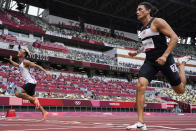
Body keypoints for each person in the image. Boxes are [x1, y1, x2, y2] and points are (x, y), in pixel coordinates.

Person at [126, 2, 191, 130]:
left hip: (165, 60)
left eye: (140, 9)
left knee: (180, 91)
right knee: (140, 85)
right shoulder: (143, 29)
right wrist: (137, 52)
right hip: (150, 61)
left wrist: (165, 56)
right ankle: (141, 123)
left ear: (148, 11)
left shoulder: (158, 22)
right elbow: (147, 44)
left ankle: (182, 64)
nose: (137, 12)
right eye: (136, 10)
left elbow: (174, 38)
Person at [8, 48, 50, 120]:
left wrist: (45, 71)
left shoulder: (26, 61)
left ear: (24, 54)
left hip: (30, 82)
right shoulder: (21, 63)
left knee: (18, 93)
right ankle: (44, 111)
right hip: (31, 83)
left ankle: (34, 99)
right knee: (31, 101)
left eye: (20, 51)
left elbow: (36, 66)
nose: (19, 52)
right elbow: (17, 65)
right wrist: (11, 61)